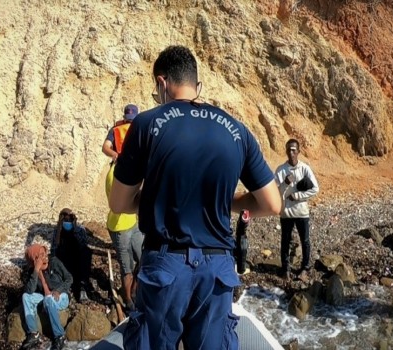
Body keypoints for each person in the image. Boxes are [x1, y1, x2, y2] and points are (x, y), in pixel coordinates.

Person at [109, 45, 281, 350]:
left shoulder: (147, 124)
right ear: (197, 85)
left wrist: (152, 201)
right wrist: (230, 203)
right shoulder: (237, 131)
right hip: (217, 269)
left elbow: (119, 203)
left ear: (162, 84)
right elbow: (271, 204)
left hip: (166, 264)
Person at [102, 106, 144, 310]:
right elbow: (121, 203)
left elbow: (105, 147)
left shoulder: (121, 132)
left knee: (143, 257)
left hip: (133, 224)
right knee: (126, 268)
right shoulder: (116, 175)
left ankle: (137, 292)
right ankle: (128, 302)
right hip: (119, 227)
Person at [274, 139, 319, 280]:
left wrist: (297, 196)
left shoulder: (305, 168)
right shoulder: (281, 170)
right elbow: (274, 192)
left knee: (305, 240)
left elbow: (315, 189)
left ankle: (305, 268)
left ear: (298, 152)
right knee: (285, 241)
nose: (291, 152)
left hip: (301, 212)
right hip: (286, 212)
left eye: (294, 150)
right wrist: (285, 183)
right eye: (288, 149)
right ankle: (286, 269)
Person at [20, 244, 72, 350]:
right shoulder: (32, 272)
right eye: (41, 255)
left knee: (48, 299)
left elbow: (69, 278)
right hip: (45, 297)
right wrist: (36, 270)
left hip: (61, 296)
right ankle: (33, 334)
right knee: (26, 297)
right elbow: (29, 291)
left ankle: (59, 336)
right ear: (34, 259)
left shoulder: (54, 262)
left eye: (45, 253)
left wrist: (59, 290)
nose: (45, 257)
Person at [51, 208, 91, 302]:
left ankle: (82, 287)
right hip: (64, 260)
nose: (67, 222)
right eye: (65, 220)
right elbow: (54, 248)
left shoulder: (80, 229)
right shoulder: (57, 231)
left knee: (86, 252)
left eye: (70, 219)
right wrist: (60, 227)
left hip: (77, 259)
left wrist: (75, 228)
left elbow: (84, 244)